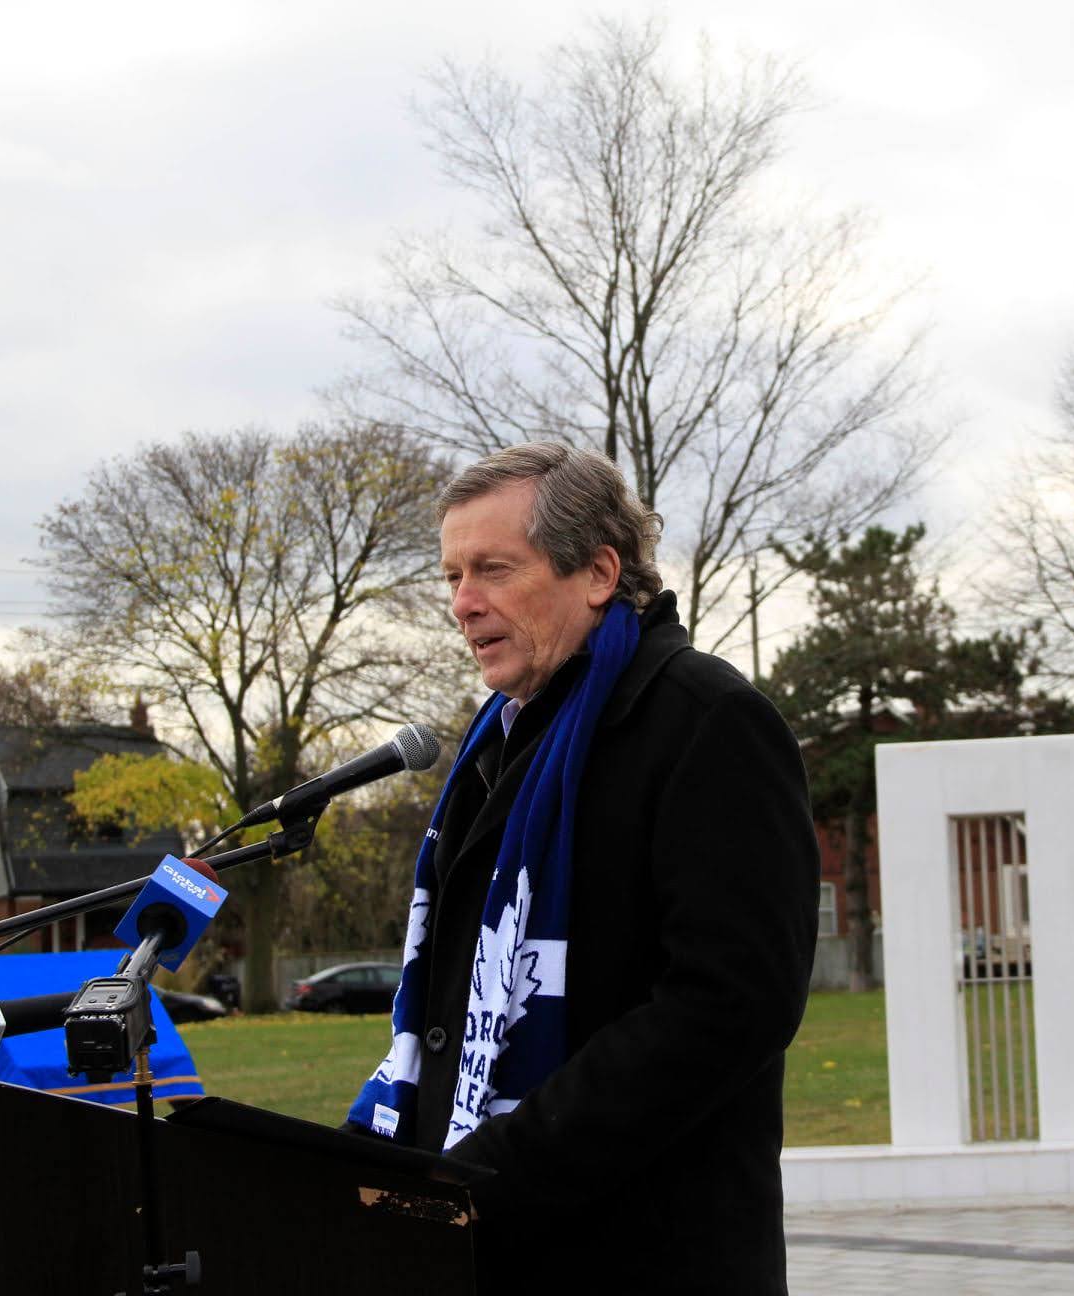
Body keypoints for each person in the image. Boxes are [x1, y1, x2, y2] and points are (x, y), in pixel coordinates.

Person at [343, 442, 820, 1292]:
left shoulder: (706, 722)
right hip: (491, 1250)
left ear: (598, 572)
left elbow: (729, 1008)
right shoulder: (499, 743)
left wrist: (490, 1181)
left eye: (492, 569)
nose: (463, 603)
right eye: (452, 576)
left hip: (647, 1256)